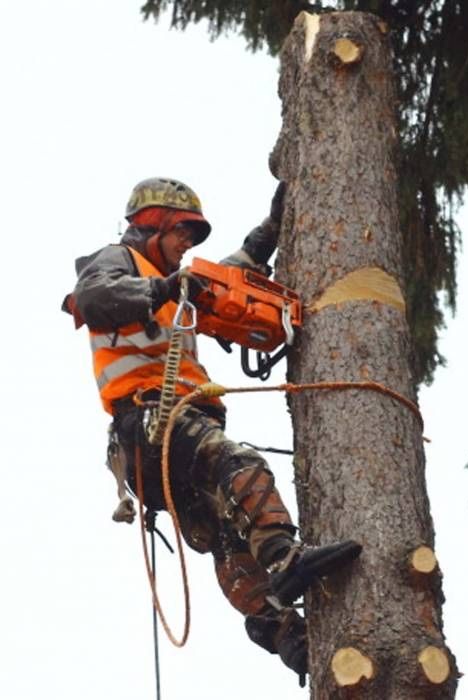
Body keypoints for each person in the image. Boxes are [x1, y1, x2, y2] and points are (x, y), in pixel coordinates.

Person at [62, 177, 361, 683]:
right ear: (148, 225)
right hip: (151, 419)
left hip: (162, 445)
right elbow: (91, 296)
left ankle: (281, 631)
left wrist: (270, 231)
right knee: (240, 466)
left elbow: (227, 280)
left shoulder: (175, 285)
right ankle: (286, 558)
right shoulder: (118, 266)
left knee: (229, 539)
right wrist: (164, 287)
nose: (188, 245)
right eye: (182, 232)